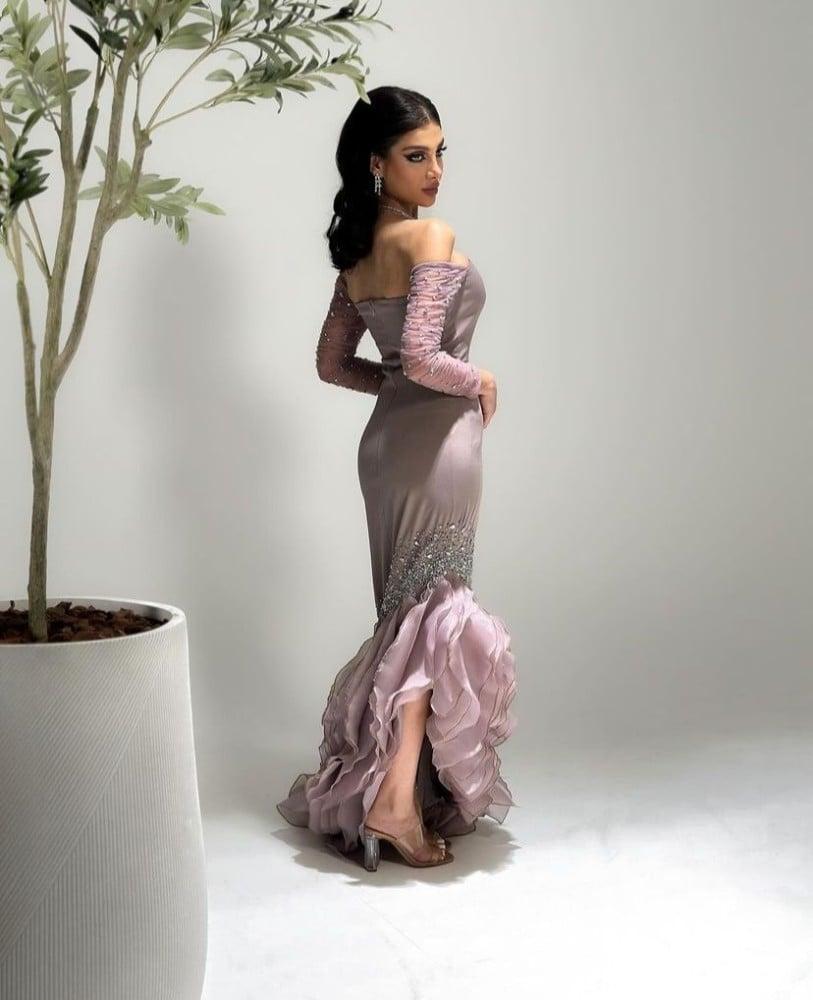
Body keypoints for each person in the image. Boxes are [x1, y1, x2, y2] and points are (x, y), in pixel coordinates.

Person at [276, 86, 518, 871]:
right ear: (376, 163)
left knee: (409, 617)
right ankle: (391, 805)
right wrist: (478, 380)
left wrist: (396, 389)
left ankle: (398, 790)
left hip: (385, 448)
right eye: (417, 156)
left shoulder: (356, 255)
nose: (435, 170)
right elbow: (421, 356)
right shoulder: (428, 237)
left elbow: (332, 364)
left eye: (441, 153)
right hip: (437, 447)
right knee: (435, 615)